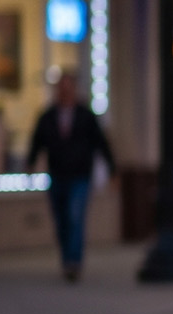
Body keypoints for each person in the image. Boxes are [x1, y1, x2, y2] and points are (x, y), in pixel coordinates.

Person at [27, 71, 115, 282]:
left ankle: (73, 263)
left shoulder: (85, 115)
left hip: (80, 175)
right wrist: (30, 162)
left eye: (69, 86)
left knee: (75, 217)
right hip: (57, 174)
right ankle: (66, 258)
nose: (65, 91)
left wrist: (113, 169)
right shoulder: (48, 116)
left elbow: (101, 142)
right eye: (61, 87)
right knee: (61, 220)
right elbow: (37, 141)